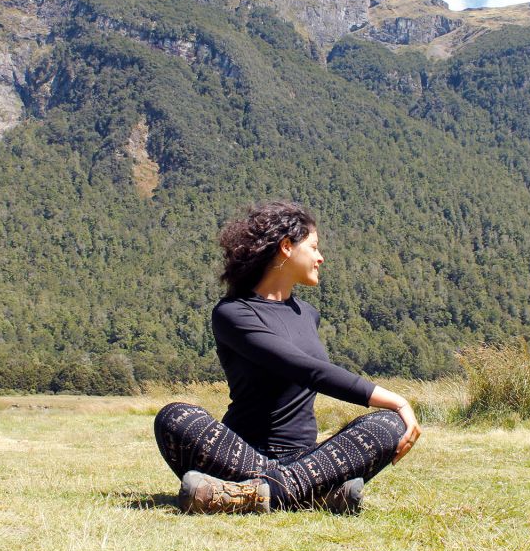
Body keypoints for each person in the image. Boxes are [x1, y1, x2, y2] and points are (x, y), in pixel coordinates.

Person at [154, 201, 421, 514]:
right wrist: (398, 400)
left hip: (306, 457)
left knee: (386, 425)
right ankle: (313, 494)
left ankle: (252, 494)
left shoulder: (308, 315)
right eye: (314, 247)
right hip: (238, 454)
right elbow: (306, 369)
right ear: (286, 247)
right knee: (175, 417)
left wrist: (392, 411)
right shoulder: (233, 313)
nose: (320, 257)